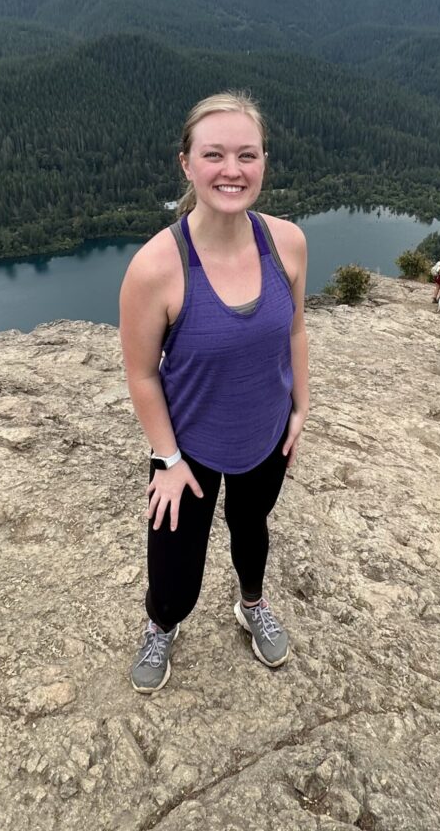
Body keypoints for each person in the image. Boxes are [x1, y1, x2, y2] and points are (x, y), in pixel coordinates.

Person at [118, 91, 309, 694]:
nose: (233, 170)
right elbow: (143, 374)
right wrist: (168, 460)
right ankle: (160, 625)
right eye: (215, 154)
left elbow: (297, 328)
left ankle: (251, 605)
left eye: (247, 155)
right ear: (187, 164)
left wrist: (301, 407)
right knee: (175, 568)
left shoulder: (287, 243)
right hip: (189, 445)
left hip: (266, 432)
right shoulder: (157, 267)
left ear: (264, 162)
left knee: (252, 530)